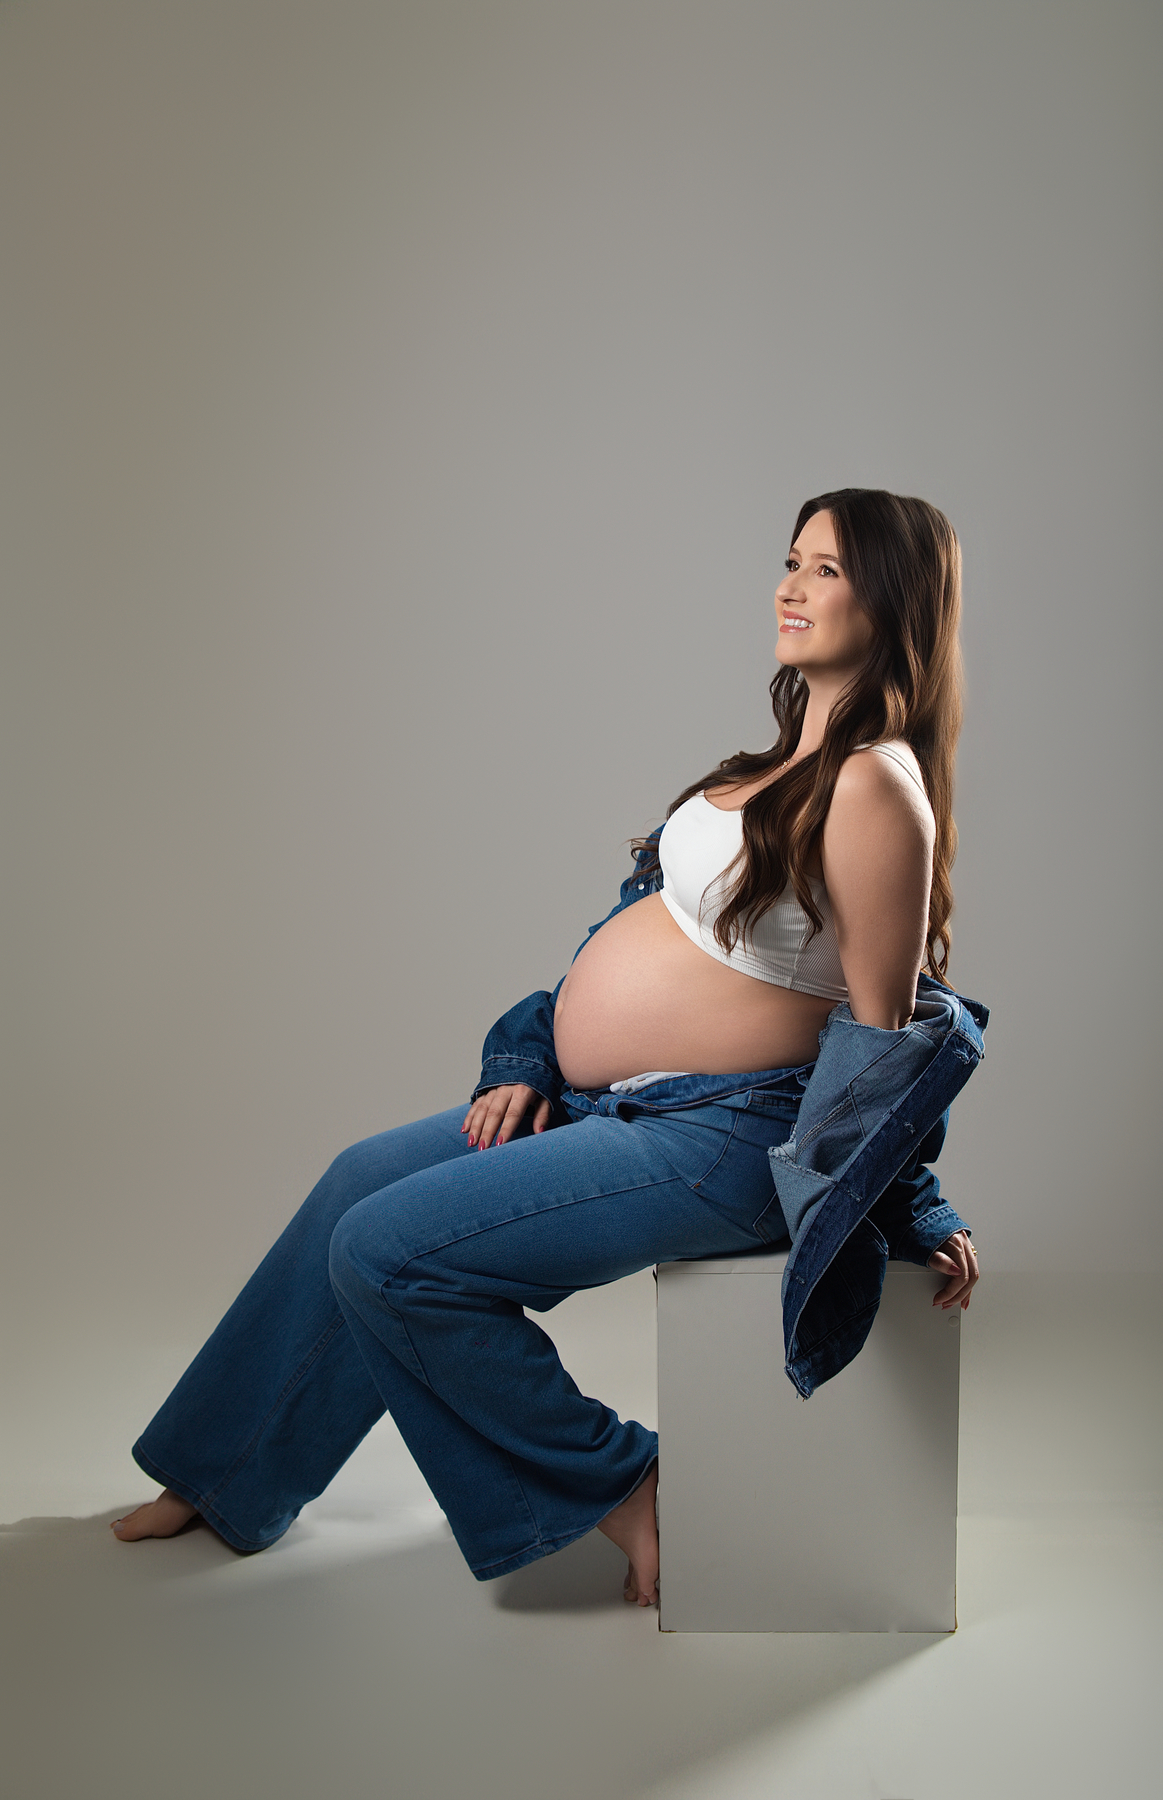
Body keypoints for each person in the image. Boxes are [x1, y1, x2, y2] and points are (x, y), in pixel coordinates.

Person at [112, 487, 981, 1609]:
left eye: (827, 569)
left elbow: (888, 1040)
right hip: (623, 1102)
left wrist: (915, 1208)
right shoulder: (765, 767)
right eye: (790, 560)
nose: (790, 587)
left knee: (390, 1254)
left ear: (894, 597)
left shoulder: (874, 786)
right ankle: (224, 1474)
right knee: (357, 1184)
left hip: (724, 1138)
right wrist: (529, 1058)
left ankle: (627, 1487)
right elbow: (626, 936)